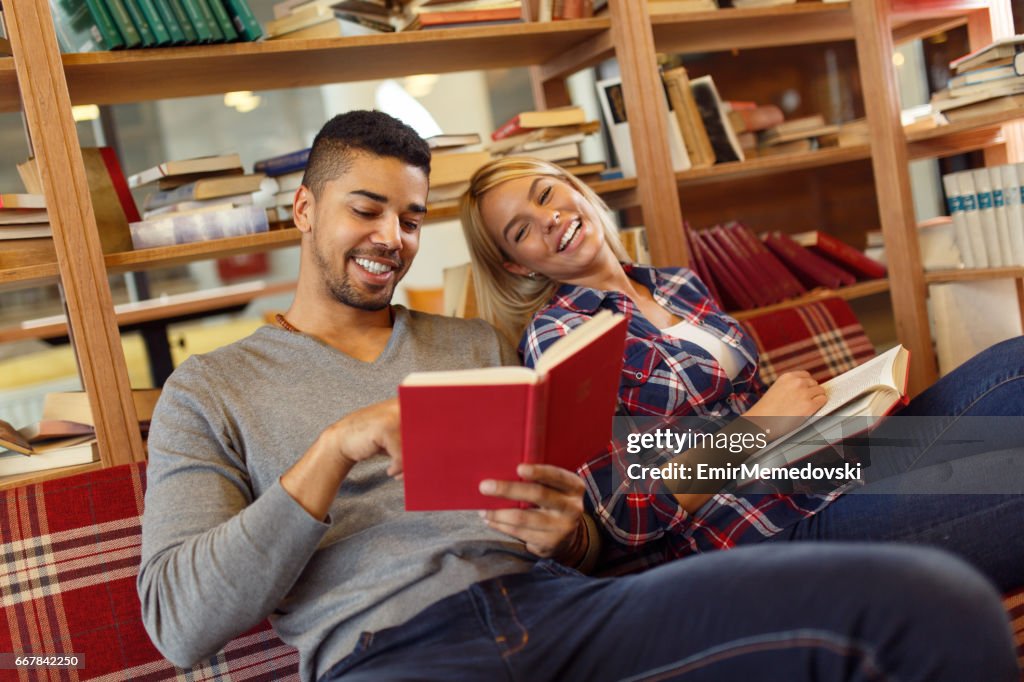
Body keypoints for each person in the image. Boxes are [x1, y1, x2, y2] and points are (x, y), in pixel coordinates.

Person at [138, 112, 1020, 682]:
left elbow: (590, 524)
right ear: (300, 210)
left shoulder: (476, 345)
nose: (391, 239)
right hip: (393, 651)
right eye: (365, 210)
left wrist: (568, 529)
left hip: (568, 609)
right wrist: (329, 454)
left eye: (410, 219)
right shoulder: (210, 390)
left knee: (939, 595)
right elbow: (181, 623)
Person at [460, 155, 1024, 589]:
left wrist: (830, 403)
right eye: (522, 229)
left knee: (1014, 365)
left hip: (830, 460)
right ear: (516, 264)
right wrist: (762, 426)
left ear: (572, 187)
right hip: (757, 530)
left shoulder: (675, 282)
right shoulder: (556, 336)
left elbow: (755, 398)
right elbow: (623, 517)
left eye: (546, 194)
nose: (550, 218)